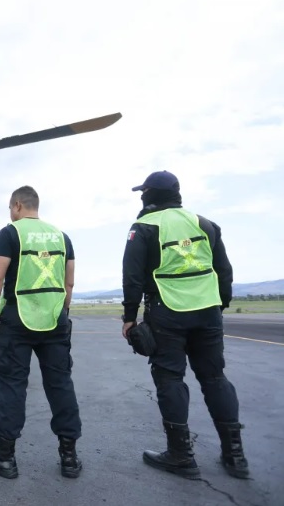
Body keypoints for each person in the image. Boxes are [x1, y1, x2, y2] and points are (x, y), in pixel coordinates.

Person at [121, 170, 249, 479]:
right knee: (215, 378)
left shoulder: (144, 227)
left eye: (144, 192)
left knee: (170, 379)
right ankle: (235, 455)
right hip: (208, 313)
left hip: (168, 312)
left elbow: (133, 277)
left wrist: (129, 317)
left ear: (151, 194)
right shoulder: (205, 224)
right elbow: (223, 269)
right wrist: (220, 304)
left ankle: (180, 455)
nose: (141, 197)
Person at [0, 186, 82, 479]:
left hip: (18, 320)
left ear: (18, 205)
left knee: (12, 387)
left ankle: (5, 457)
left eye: (11, 208)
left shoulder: (11, 233)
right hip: (55, 320)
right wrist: (62, 312)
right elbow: (68, 284)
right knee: (60, 385)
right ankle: (69, 457)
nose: (10, 213)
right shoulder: (63, 237)